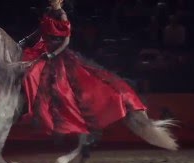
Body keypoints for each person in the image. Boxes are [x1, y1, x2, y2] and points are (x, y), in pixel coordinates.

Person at [19, 0, 147, 136]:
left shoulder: (62, 15)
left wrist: (52, 55)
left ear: (61, 1)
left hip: (56, 51)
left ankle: (37, 111)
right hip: (42, 48)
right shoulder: (47, 11)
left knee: (37, 74)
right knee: (23, 65)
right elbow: (40, 30)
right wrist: (25, 40)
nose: (51, 1)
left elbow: (66, 41)